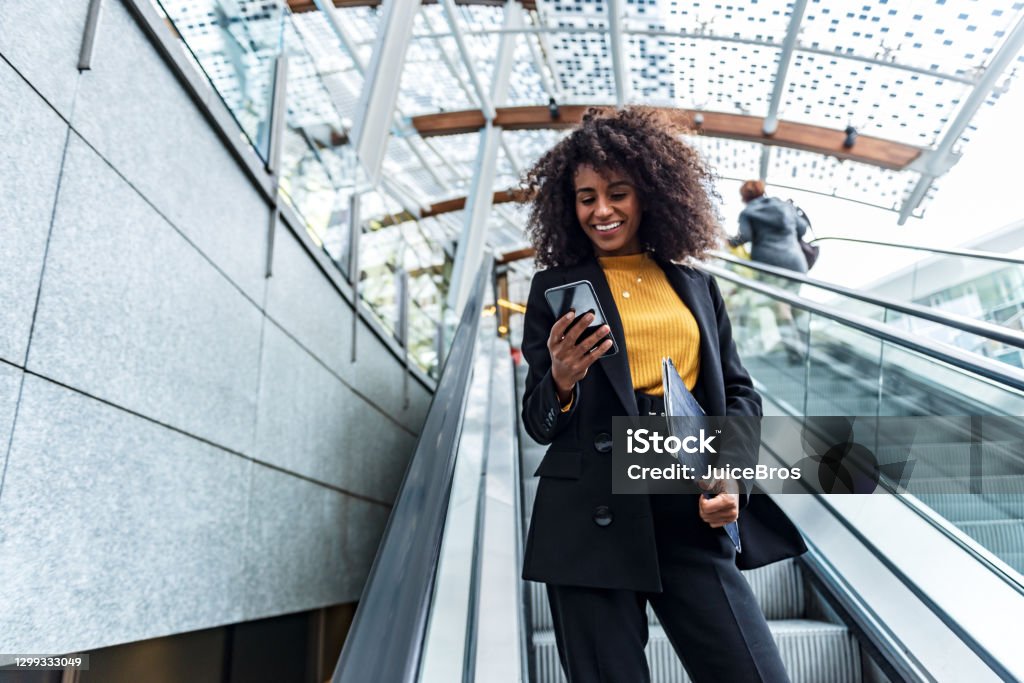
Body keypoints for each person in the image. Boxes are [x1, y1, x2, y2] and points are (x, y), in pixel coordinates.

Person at [518, 107, 805, 683]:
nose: (601, 210)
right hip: (589, 517)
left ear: (649, 194)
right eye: (586, 197)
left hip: (686, 502)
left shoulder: (694, 283)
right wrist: (562, 380)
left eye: (618, 193)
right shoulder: (553, 290)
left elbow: (740, 393)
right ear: (568, 207)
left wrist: (730, 474)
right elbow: (538, 420)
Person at [729, 180, 810, 274]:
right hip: (796, 265)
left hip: (767, 264)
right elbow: (802, 228)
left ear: (745, 197)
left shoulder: (747, 213)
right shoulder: (785, 206)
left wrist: (727, 241)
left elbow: (744, 237)